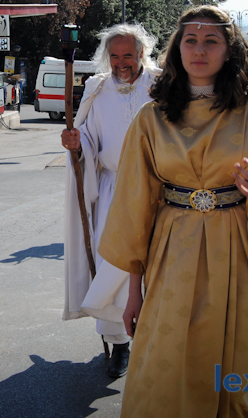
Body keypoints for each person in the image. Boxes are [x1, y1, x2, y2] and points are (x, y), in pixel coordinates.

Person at [98, 6, 248, 417]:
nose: (200, 50)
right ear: (177, 49)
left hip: (242, 251)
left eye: (211, 41)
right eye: (191, 40)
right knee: (167, 361)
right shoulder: (151, 118)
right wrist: (133, 292)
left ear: (229, 50)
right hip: (172, 254)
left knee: (238, 361)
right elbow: (133, 207)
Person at [59, 23, 161, 378]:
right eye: (114, 56)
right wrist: (76, 144)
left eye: (128, 55)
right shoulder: (96, 88)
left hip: (159, 192)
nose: (121, 63)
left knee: (157, 264)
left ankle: (158, 337)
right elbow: (87, 137)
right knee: (112, 263)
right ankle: (119, 343)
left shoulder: (162, 86)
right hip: (113, 192)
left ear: (142, 54)